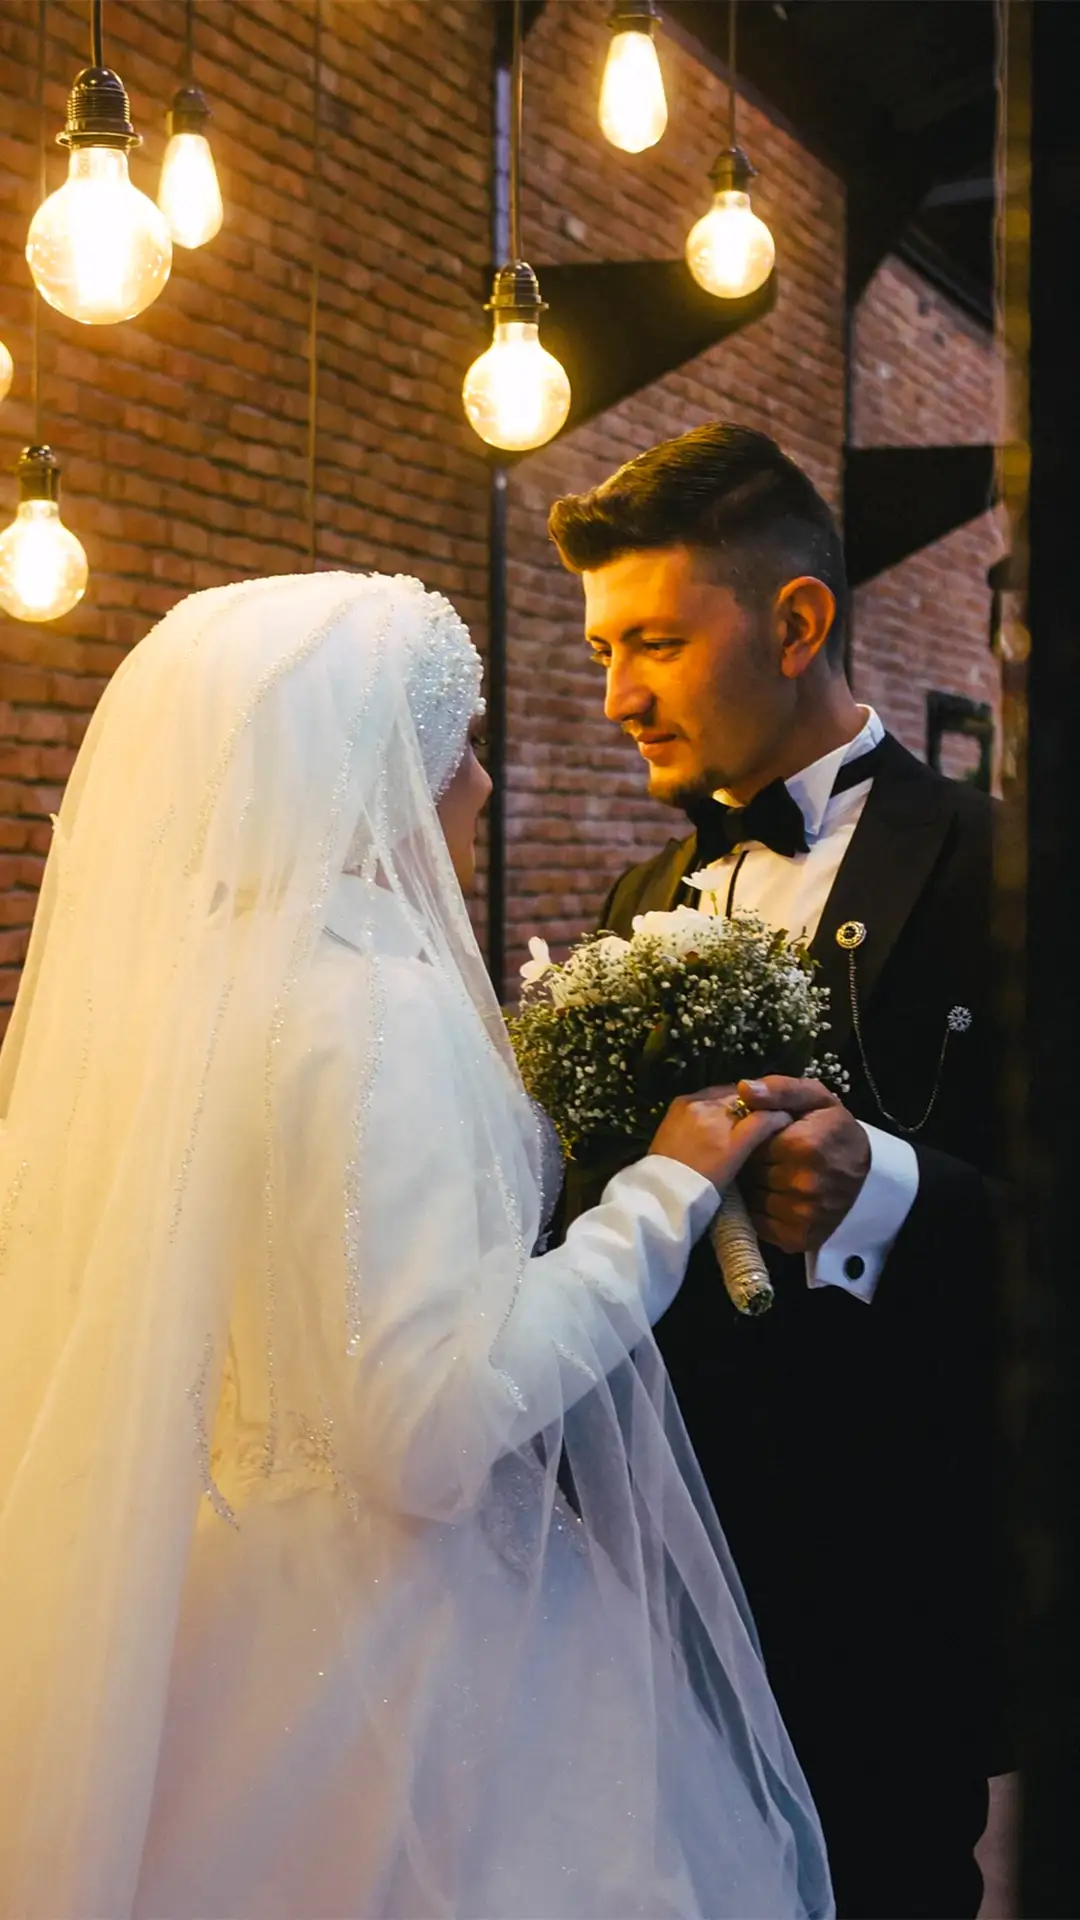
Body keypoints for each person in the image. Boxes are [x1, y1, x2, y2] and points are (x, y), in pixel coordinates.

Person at [0, 570, 832, 1920]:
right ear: (370, 774)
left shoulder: (175, 1012)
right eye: (459, 749)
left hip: (206, 1628)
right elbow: (432, 1428)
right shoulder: (375, 1007)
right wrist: (665, 1192)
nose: (485, 785)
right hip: (412, 1664)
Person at [549, 424, 1002, 1920]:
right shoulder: (637, 896)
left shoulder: (1001, 869)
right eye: (605, 650)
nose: (616, 697)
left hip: (891, 1593)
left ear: (797, 622)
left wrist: (892, 1193)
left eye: (656, 643)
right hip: (663, 1592)